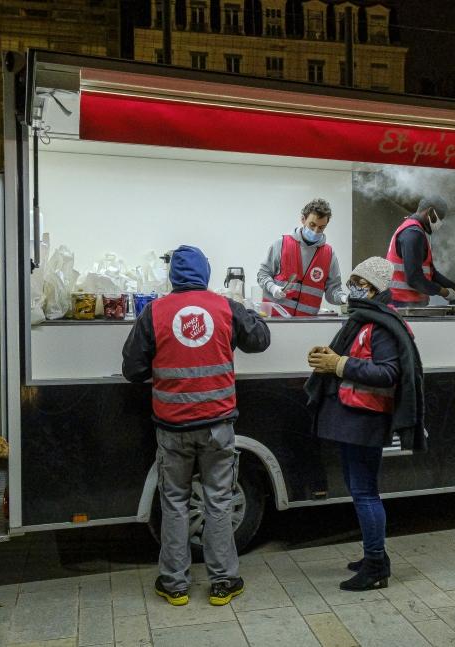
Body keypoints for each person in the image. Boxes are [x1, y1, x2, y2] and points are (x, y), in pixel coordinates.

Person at [122, 245, 270, 607]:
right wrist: (245, 310)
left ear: (173, 275)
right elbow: (261, 339)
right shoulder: (224, 307)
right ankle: (223, 582)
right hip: (217, 427)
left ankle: (174, 584)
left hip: (172, 429)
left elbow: (132, 369)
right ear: (205, 273)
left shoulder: (154, 312)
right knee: (218, 501)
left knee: (174, 502)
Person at [304, 256, 426, 591]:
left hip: (365, 419)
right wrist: (328, 357)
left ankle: (375, 567)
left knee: (365, 493)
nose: (352, 289)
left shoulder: (382, 324)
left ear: (373, 287)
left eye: (358, 283)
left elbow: (388, 373)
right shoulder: (362, 319)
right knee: (362, 489)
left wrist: (339, 363)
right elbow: (354, 356)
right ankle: (376, 555)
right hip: (351, 417)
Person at [385, 194, 455, 309]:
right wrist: (444, 292)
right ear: (430, 212)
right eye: (439, 218)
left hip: (409, 304)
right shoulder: (413, 233)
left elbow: (432, 274)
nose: (439, 223)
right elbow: (414, 279)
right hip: (402, 305)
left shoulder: (414, 230)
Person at [257, 198, 348, 316]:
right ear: (303, 219)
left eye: (321, 227)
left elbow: (333, 291)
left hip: (306, 324)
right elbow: (262, 274)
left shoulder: (329, 255)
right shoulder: (281, 244)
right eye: (312, 225)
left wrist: (343, 299)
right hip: (275, 320)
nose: (316, 231)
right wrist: (273, 288)